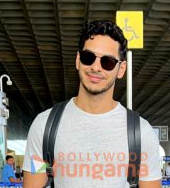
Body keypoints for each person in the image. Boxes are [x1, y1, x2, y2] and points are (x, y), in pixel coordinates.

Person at [22, 20, 162, 188]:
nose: (96, 67)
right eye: (89, 57)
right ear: (78, 60)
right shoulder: (44, 126)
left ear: (121, 69)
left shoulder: (141, 133)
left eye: (107, 62)